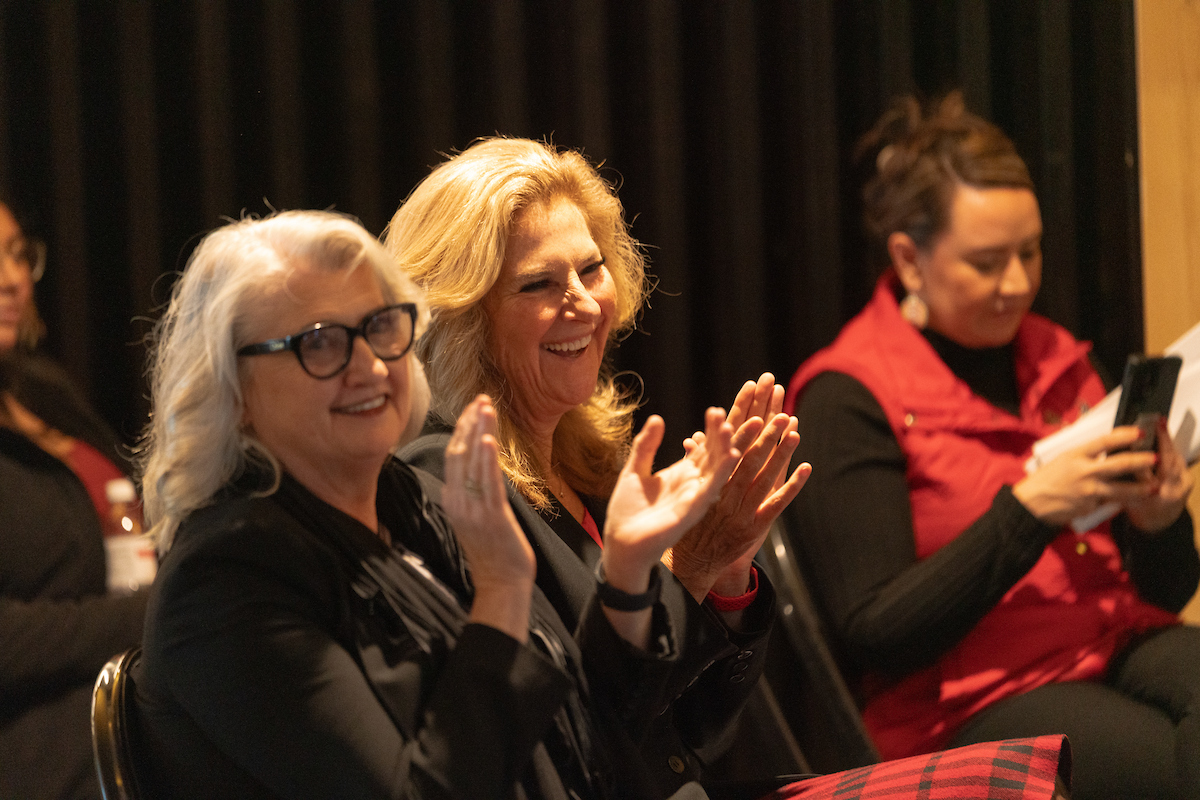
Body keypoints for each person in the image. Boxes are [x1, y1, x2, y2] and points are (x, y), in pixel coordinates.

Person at [133, 209, 761, 799]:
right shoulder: (226, 580)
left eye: (381, 326)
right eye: (321, 343)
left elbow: (586, 730)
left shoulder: (410, 501)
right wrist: (501, 593)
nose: (370, 365)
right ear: (232, 389)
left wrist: (625, 573)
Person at [784, 93, 1200, 800]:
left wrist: (1159, 523)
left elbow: (1167, 590)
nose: (1017, 284)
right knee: (1161, 772)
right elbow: (876, 632)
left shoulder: (1059, 357)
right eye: (986, 262)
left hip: (1114, 640)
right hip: (968, 701)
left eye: (1029, 253)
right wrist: (1029, 511)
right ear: (910, 260)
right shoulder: (848, 395)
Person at [384, 136, 813, 794]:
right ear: (467, 318)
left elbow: (692, 732)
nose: (583, 302)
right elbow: (569, 744)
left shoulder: (583, 460)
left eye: (591, 269)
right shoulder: (450, 480)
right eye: (539, 284)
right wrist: (686, 569)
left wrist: (727, 572)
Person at [0, 195, 149, 800]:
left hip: (124, 734)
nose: (11, 280)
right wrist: (155, 611)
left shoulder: (43, 390)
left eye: (16, 255)